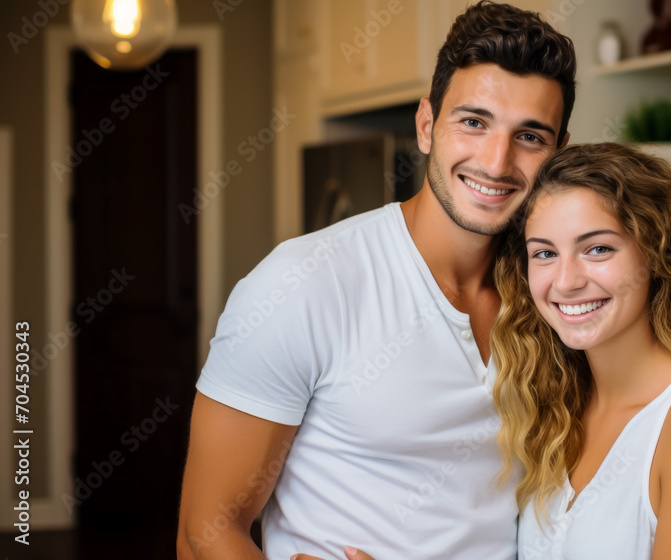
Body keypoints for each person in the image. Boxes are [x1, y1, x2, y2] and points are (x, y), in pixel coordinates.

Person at [175, 2, 575, 559]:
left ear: (558, 151)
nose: (497, 160)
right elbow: (205, 532)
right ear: (427, 125)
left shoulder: (559, 294)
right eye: (474, 121)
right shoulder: (304, 283)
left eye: (530, 136)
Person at [489, 143, 671, 559]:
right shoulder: (555, 408)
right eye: (544, 253)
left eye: (598, 249)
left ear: (657, 254)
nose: (565, 281)